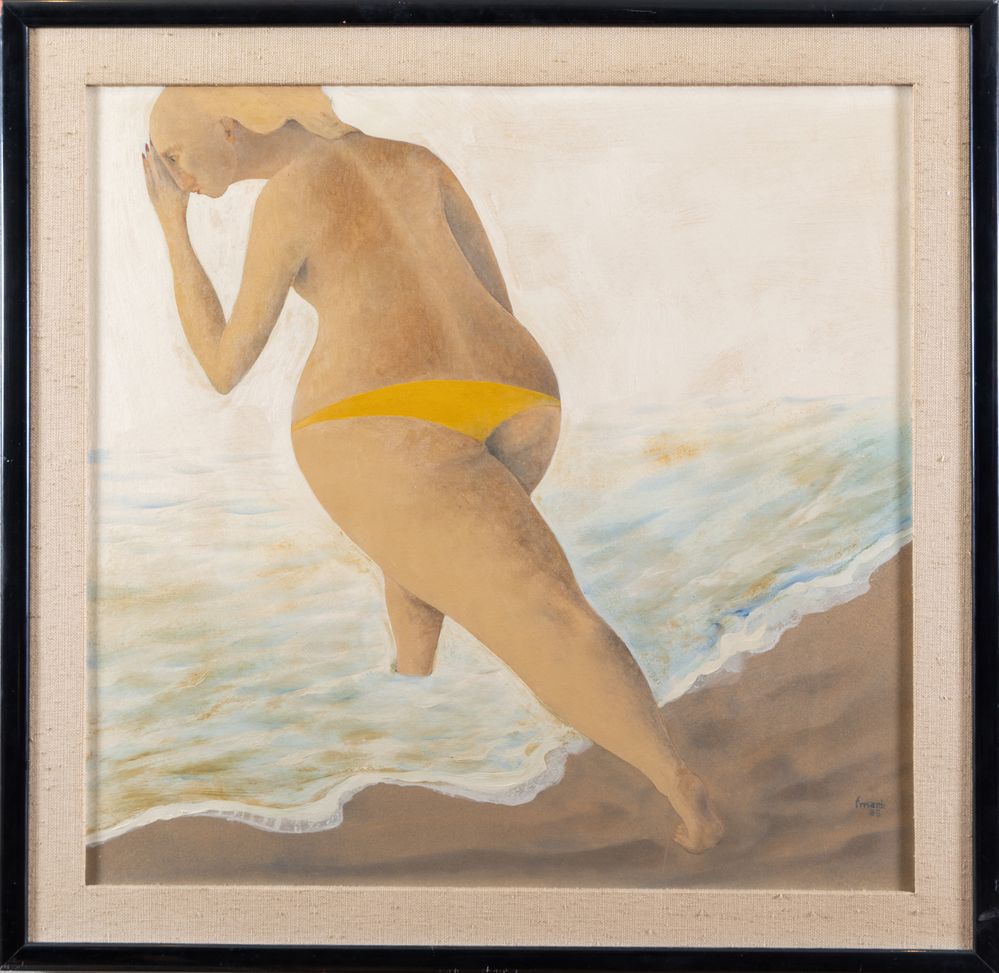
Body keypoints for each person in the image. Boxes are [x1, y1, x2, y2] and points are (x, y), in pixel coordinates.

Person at [143, 85, 723, 854]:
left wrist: (172, 228)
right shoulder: (416, 160)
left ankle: (676, 783)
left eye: (175, 156)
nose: (176, 176)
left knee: (540, 611)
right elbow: (495, 298)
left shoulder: (288, 195)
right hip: (520, 397)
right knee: (427, 555)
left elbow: (223, 364)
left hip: (379, 418)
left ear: (228, 127)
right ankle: (416, 703)